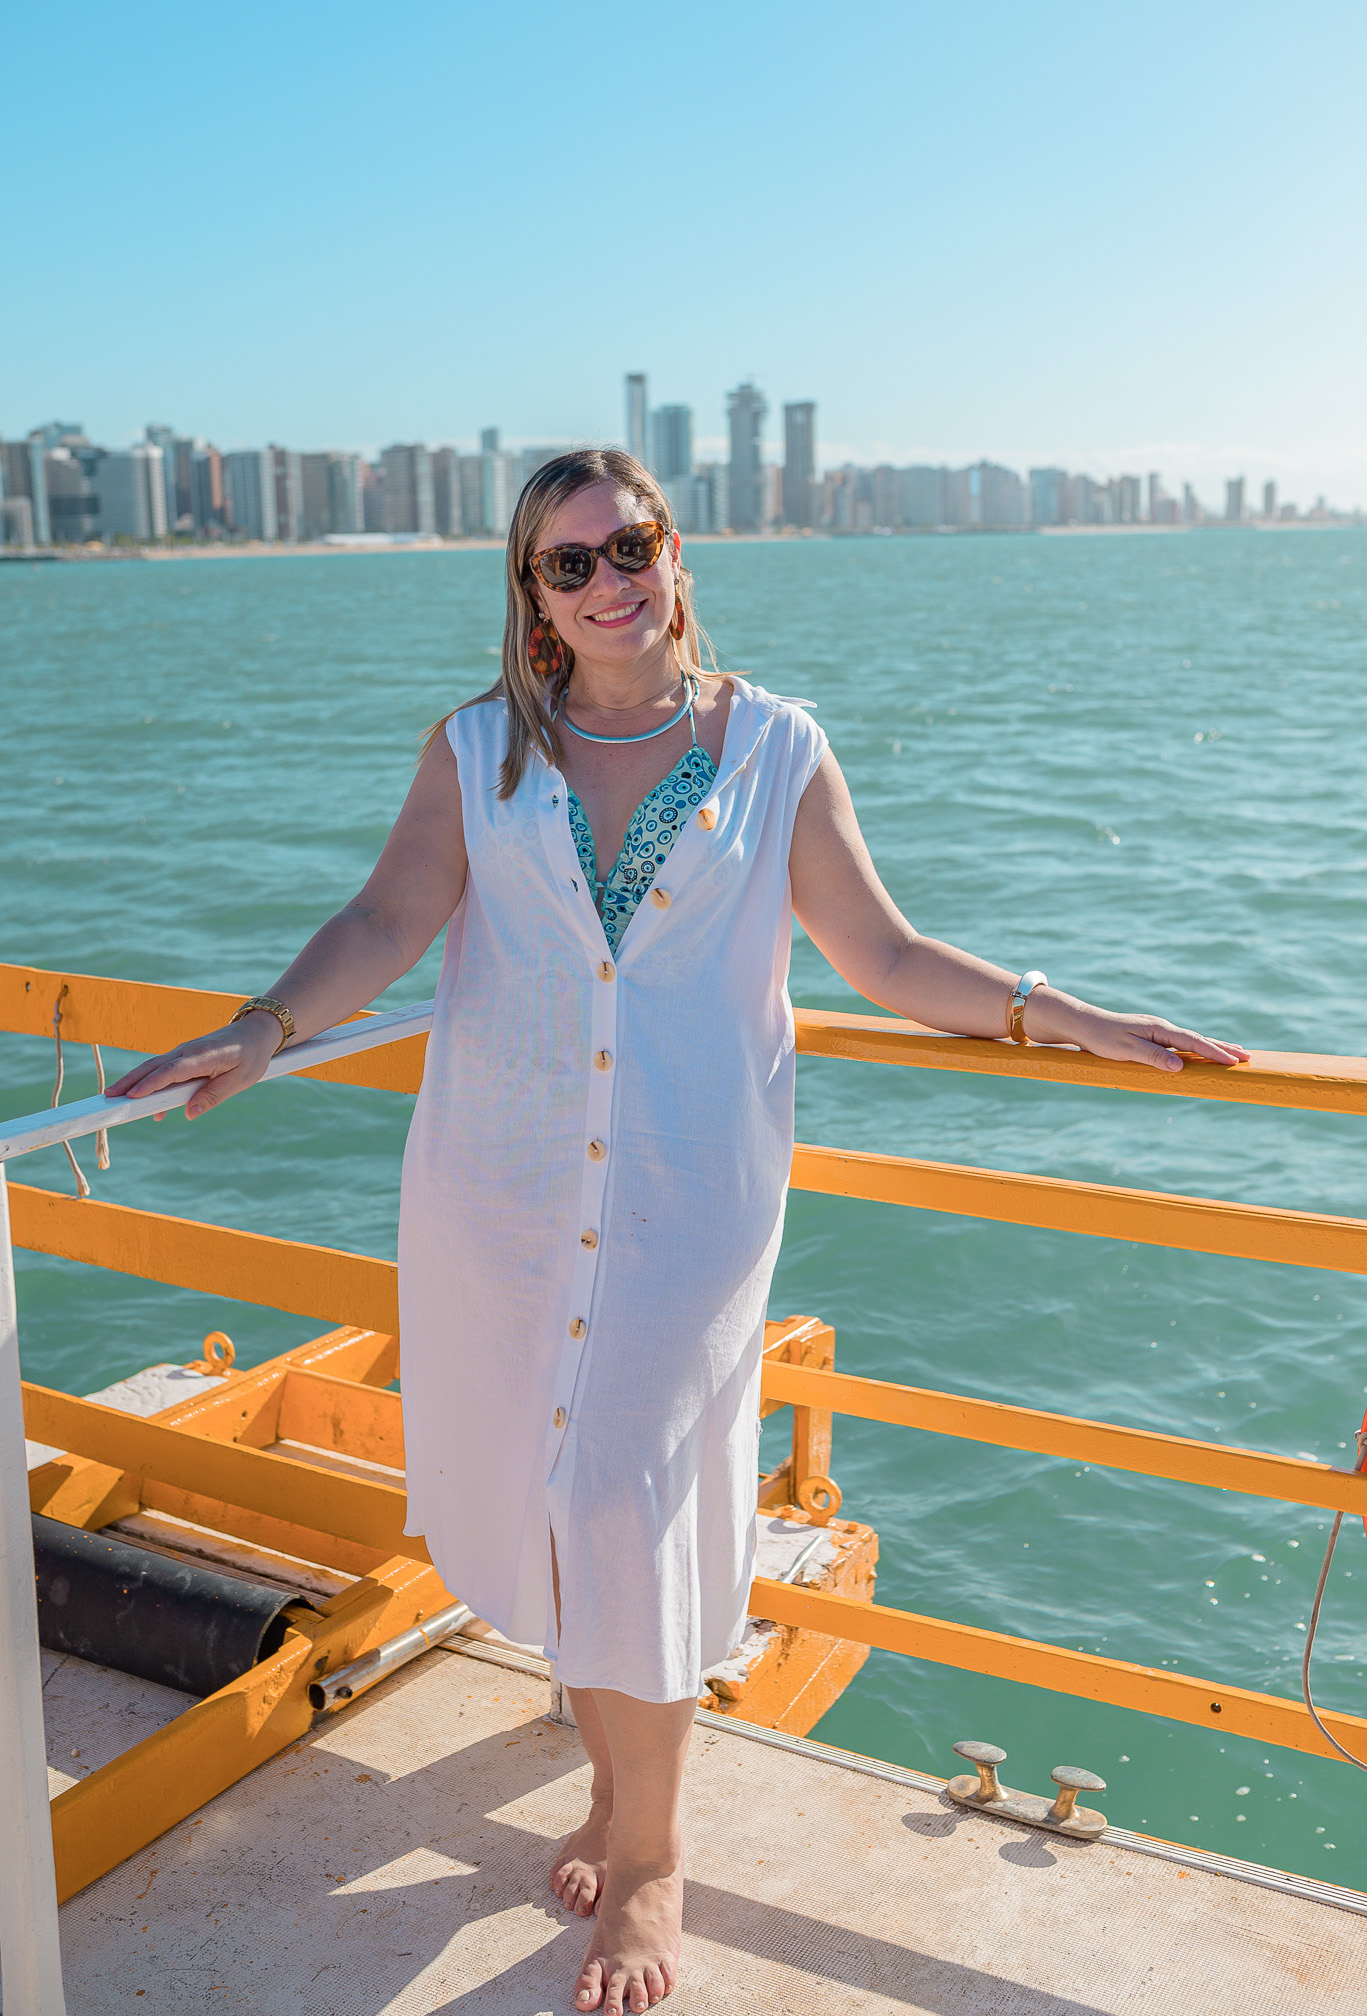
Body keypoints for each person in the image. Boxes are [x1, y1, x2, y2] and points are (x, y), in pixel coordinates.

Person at [108, 448, 1247, 2015]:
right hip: (502, 1199)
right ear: (532, 592)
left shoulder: (775, 748)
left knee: (628, 1510)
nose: (607, 583)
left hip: (684, 1207)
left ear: (675, 551)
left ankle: (654, 1852)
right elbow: (386, 919)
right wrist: (262, 1027)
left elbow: (883, 953)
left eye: (628, 546)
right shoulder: (478, 749)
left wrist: (1071, 1017)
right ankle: (610, 1793)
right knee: (555, 1506)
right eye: (568, 563)